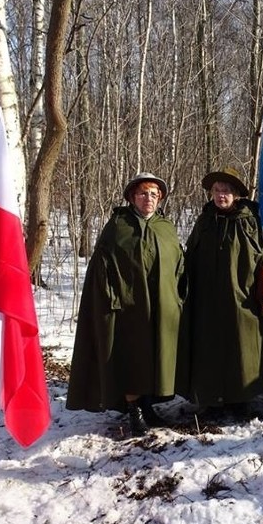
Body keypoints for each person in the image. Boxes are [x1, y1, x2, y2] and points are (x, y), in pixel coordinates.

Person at [67, 173, 186, 436]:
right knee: (132, 358)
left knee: (153, 357)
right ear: (132, 197)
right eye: (143, 193)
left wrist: (177, 297)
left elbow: (178, 265)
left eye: (154, 194)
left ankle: (148, 406)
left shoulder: (165, 227)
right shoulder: (118, 227)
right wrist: (112, 298)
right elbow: (101, 268)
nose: (149, 199)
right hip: (128, 309)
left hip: (161, 308)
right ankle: (135, 412)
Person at [183, 167, 263, 416]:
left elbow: (262, 258)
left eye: (226, 191)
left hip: (241, 299)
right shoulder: (205, 220)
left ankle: (240, 399)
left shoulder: (248, 221)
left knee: (241, 350)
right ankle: (211, 401)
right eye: (217, 190)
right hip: (207, 300)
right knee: (209, 349)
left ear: (235, 194)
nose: (221, 195)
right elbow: (190, 256)